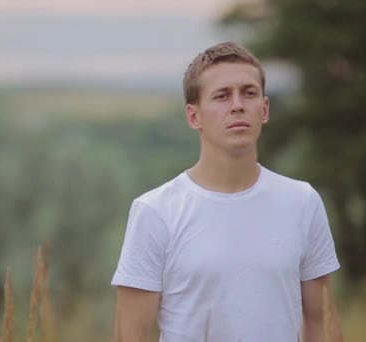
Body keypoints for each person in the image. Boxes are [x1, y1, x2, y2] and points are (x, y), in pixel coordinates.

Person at [111, 41, 343, 342]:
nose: (237, 105)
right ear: (194, 116)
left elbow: (321, 322)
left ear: (265, 108)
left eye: (248, 93)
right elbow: (131, 335)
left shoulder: (303, 201)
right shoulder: (155, 211)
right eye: (221, 96)